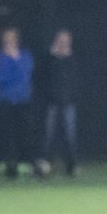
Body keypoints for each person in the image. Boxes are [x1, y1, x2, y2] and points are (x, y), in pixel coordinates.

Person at [0, 27, 36, 178]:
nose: (9, 41)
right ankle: (6, 165)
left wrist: (15, 61)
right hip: (5, 101)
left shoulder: (25, 56)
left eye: (12, 38)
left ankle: (25, 164)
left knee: (24, 134)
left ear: (17, 40)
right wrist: (10, 62)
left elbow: (26, 75)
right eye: (6, 38)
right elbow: (0, 78)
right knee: (6, 135)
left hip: (23, 101)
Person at [38, 29, 79, 177]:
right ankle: (45, 164)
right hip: (52, 103)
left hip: (68, 104)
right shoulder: (50, 59)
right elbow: (43, 77)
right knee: (49, 135)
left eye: (66, 40)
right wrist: (53, 56)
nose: (63, 43)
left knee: (70, 135)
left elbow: (74, 80)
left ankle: (71, 166)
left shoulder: (72, 59)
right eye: (61, 40)